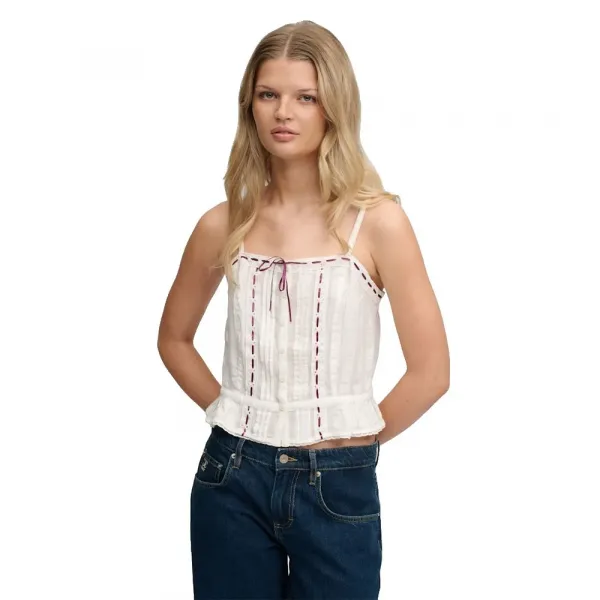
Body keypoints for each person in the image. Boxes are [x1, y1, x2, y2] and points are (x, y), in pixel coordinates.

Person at [157, 20, 450, 600]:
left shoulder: (379, 223)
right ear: (250, 105)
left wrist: (353, 446)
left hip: (336, 485)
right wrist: (230, 413)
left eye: (305, 97)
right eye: (268, 94)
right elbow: (174, 339)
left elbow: (431, 373)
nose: (283, 112)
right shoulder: (223, 223)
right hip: (230, 479)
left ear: (334, 106)